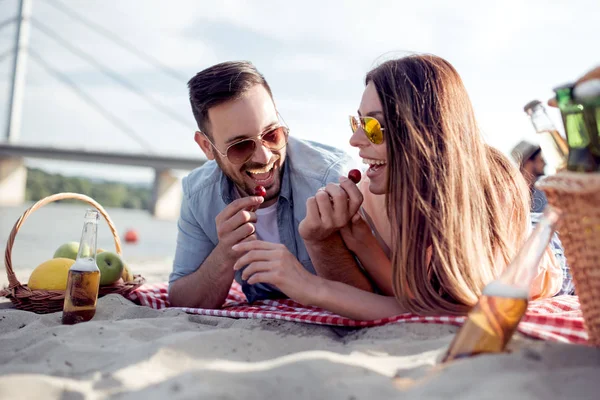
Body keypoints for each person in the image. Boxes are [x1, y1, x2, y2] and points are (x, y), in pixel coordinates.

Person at [231, 54, 566, 320]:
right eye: (358, 122)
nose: (355, 139)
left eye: (374, 126)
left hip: (554, 250)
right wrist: (357, 238)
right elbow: (412, 295)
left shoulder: (491, 183)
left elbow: (460, 305)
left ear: (424, 129)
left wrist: (309, 286)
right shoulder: (377, 190)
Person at [168, 61, 360, 308]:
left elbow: (371, 293)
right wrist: (226, 252)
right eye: (240, 146)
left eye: (272, 134)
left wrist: (324, 245)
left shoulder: (331, 179)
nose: (264, 157)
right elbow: (182, 302)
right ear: (207, 146)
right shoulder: (199, 195)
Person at [510, 140, 548, 212]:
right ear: (529, 161)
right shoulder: (512, 196)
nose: (545, 163)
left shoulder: (545, 190)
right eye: (541, 159)